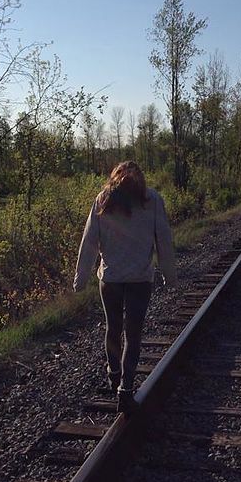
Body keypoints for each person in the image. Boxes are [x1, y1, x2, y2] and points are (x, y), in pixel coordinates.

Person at [73, 161, 178, 414]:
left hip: (110, 279)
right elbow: (163, 238)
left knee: (113, 328)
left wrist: (81, 278)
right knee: (133, 335)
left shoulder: (104, 199)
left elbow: (89, 241)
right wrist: (169, 274)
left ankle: (114, 373)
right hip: (140, 280)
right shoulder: (152, 199)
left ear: (115, 178)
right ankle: (126, 387)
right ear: (140, 179)